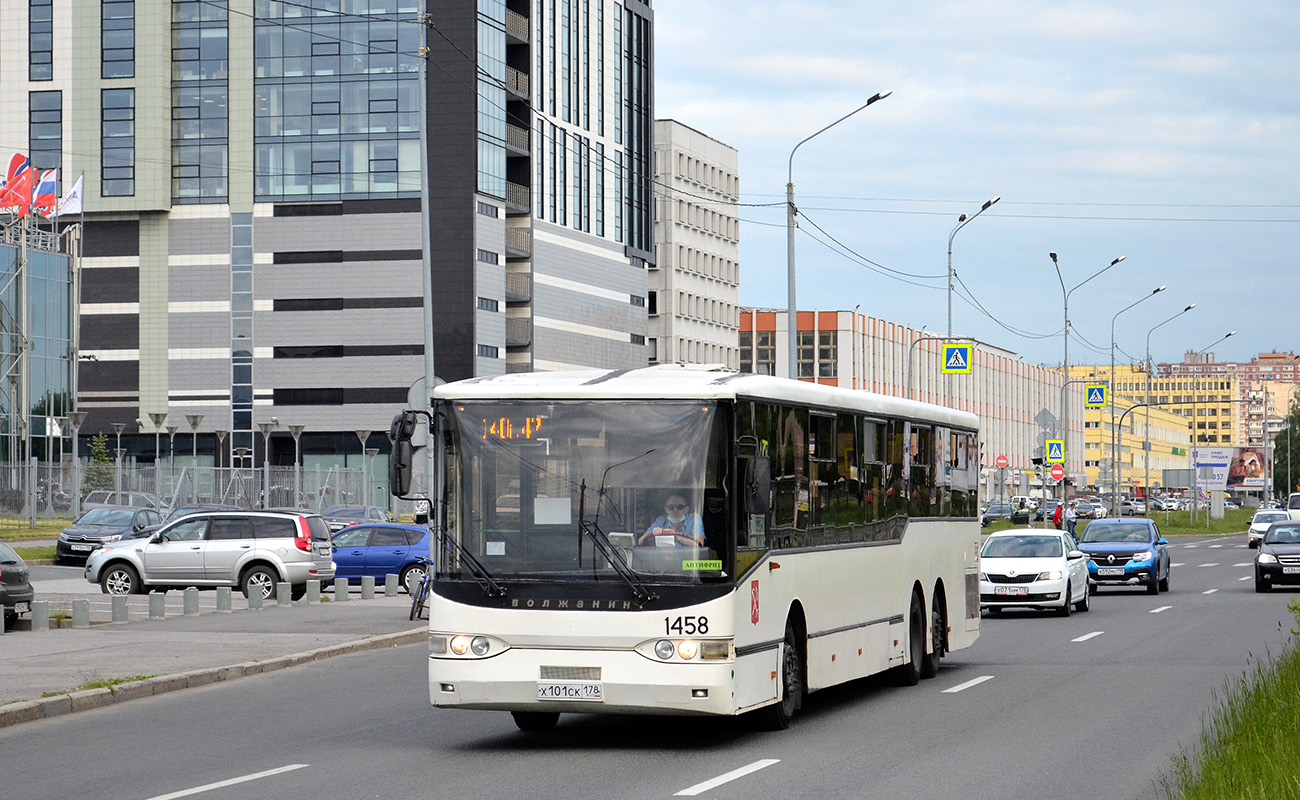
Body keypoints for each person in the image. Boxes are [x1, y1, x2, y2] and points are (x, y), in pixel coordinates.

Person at [639, 493, 706, 546]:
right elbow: (640, 541)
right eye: (671, 507)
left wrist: (677, 539)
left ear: (687, 509)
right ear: (666, 510)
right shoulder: (661, 521)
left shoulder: (694, 519)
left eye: (680, 507)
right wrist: (654, 534)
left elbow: (699, 543)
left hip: (688, 560)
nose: (675, 510)